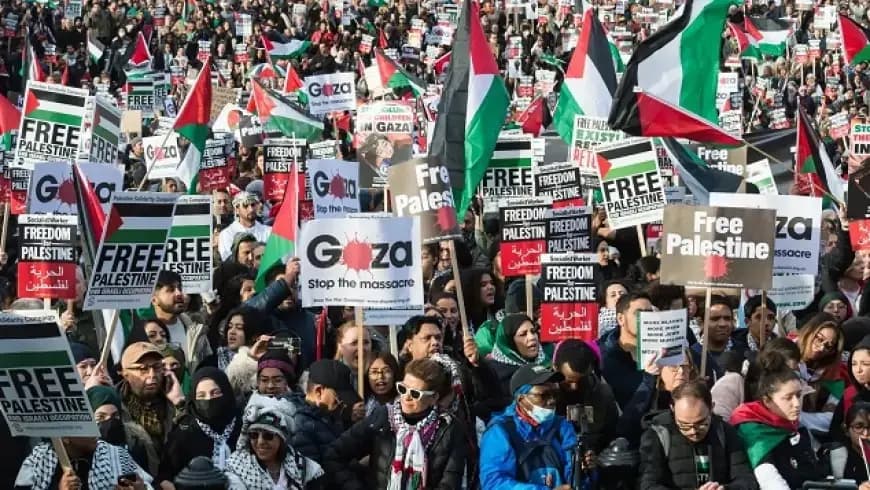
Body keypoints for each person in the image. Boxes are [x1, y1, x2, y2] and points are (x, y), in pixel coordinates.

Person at [324, 359, 468, 489]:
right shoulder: (383, 416)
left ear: (434, 398)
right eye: (403, 389)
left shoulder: (448, 428)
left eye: (415, 394)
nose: (406, 397)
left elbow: (450, 482)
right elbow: (334, 455)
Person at [638, 380, 757, 490]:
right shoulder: (658, 434)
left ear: (711, 408)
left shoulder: (724, 431)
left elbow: (746, 479)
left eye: (701, 423)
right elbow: (647, 484)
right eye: (684, 425)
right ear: (673, 409)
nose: (693, 431)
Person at [479, 364, 577, 489]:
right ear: (521, 399)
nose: (552, 400)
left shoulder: (562, 426)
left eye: (555, 394)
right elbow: (493, 483)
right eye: (543, 395)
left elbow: (575, 480)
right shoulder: (500, 432)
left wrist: (585, 471)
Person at [731, 368, 829, 488]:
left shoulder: (796, 426)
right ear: (767, 401)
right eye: (788, 398)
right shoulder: (752, 431)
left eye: (799, 395)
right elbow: (768, 478)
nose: (797, 403)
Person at [159, 367, 241, 484]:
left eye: (215, 393)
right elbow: (165, 475)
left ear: (226, 392)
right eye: (201, 396)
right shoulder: (184, 432)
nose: (208, 399)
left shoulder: (243, 425)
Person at [224, 393, 325, 489]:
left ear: (282, 439)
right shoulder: (236, 469)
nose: (260, 442)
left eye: (268, 436)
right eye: (254, 435)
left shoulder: (302, 466)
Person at [285, 360, 361, 465]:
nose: (343, 404)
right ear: (319, 391)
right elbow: (314, 473)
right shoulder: (301, 426)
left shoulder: (329, 417)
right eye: (338, 398)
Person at [118, 342, 186, 457]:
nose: (152, 374)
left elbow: (188, 438)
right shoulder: (116, 407)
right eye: (142, 369)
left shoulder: (172, 402)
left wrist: (179, 404)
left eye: (157, 367)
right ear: (125, 374)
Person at [553, 339, 618, 452]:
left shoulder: (602, 394)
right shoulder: (542, 396)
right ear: (555, 368)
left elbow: (610, 434)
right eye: (568, 381)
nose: (575, 387)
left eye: (581, 380)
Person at [599, 292, 656, 411]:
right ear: (620, 319)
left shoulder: (661, 350)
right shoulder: (603, 357)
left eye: (649, 313)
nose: (645, 318)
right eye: (638, 313)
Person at [87, 384, 159, 477]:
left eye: (115, 416)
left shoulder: (136, 439)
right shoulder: (83, 446)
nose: (109, 421)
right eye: (101, 417)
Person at [150, 270, 211, 375]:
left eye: (180, 288)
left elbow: (208, 366)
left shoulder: (196, 330)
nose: (179, 294)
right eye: (170, 290)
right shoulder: (143, 332)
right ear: (154, 300)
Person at [484, 313, 551, 405]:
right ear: (509, 341)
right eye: (523, 334)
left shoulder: (547, 362)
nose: (532, 337)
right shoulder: (493, 373)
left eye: (533, 331)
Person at [796, 313, 847, 434]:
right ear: (809, 332)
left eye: (828, 346)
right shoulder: (785, 356)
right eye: (819, 339)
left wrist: (800, 418)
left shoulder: (833, 375)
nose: (820, 348)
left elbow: (831, 420)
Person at [691, 295, 736, 379]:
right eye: (715, 319)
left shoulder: (743, 352)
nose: (722, 324)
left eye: (727, 318)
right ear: (701, 323)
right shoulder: (692, 356)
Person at [218, 191, 271, 261]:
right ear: (237, 210)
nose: (251, 209)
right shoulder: (227, 234)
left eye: (253, 205)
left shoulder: (269, 231)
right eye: (245, 206)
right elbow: (229, 260)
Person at [730, 294, 777, 359]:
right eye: (759, 317)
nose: (766, 323)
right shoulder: (731, 346)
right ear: (747, 322)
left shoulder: (780, 349)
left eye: (771, 318)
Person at [365, 351, 400, 416]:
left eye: (386, 371)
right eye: (374, 372)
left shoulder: (403, 404)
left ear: (394, 373)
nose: (380, 376)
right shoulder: (363, 404)